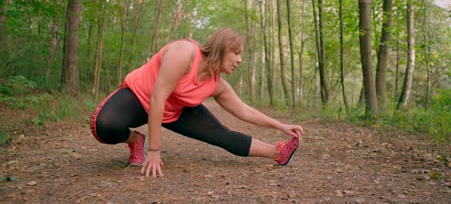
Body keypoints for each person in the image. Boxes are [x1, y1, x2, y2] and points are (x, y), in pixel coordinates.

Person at [90, 27, 304, 178]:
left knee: (221, 134)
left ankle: (278, 153)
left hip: (174, 111)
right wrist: (154, 150)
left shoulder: (217, 84)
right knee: (103, 126)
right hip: (139, 96)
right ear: (222, 48)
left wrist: (281, 126)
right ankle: (135, 140)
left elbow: (244, 111)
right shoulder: (185, 52)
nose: (239, 60)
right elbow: (157, 97)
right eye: (236, 53)